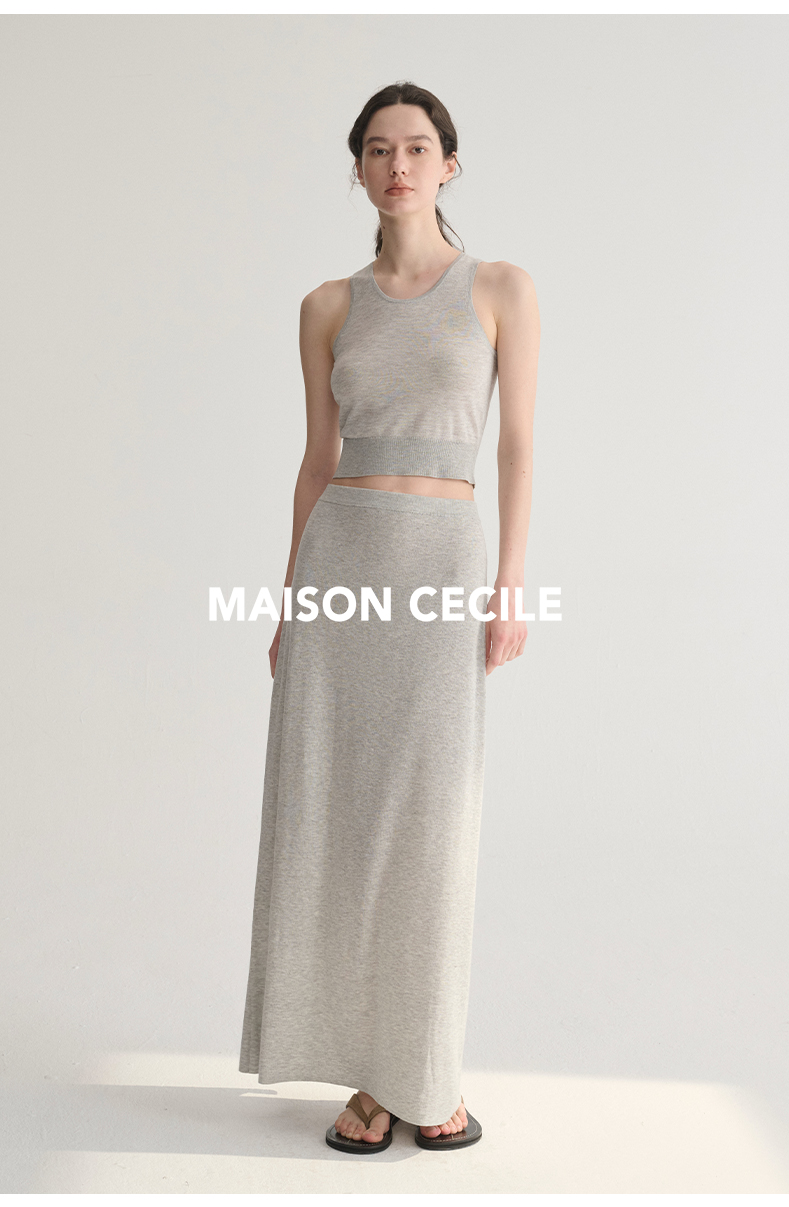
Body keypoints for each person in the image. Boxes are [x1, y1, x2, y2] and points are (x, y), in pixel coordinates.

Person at [239, 80, 540, 1153]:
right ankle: (370, 1079)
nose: (397, 165)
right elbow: (314, 464)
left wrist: (510, 583)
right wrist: (289, 603)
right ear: (359, 169)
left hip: (445, 563)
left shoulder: (500, 288)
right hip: (341, 568)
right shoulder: (327, 305)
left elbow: (517, 447)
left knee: (431, 824)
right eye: (377, 149)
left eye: (416, 147)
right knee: (334, 816)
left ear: (448, 165)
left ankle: (425, 1069)